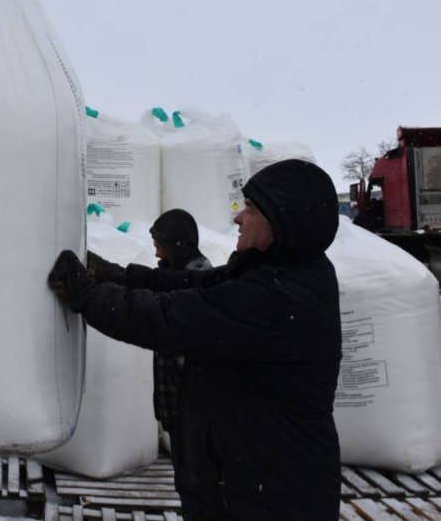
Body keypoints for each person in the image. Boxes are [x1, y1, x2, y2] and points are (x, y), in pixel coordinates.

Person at [49, 160, 342, 521]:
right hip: (245, 486)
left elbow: (170, 316)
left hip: (266, 500)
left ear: (281, 221)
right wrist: (120, 276)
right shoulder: (283, 274)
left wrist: (88, 295)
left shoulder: (280, 298)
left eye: (250, 209)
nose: (238, 218)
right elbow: (196, 285)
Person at [89, 209, 212, 494]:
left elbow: (154, 312)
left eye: (160, 245)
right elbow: (149, 284)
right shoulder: (176, 274)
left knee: (198, 490)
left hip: (196, 414)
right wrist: (108, 274)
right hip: (180, 412)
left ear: (176, 244)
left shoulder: (199, 278)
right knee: (188, 485)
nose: (156, 253)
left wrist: (92, 297)